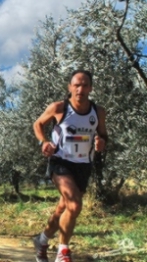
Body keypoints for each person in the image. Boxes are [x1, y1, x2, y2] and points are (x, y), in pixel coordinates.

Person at [32, 70, 108, 262]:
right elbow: (38, 124)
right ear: (70, 87)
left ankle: (41, 240)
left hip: (83, 164)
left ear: (90, 88)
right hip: (60, 162)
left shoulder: (98, 112)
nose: (80, 89)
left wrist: (102, 142)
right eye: (76, 85)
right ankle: (63, 252)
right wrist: (44, 142)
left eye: (84, 85)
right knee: (74, 205)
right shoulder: (59, 108)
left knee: (63, 208)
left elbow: (103, 135)